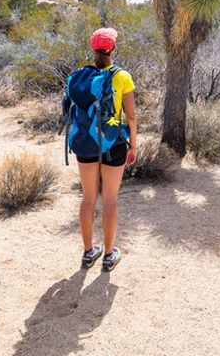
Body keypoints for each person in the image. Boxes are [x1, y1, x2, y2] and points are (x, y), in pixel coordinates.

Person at [78, 27, 137, 272]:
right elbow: (131, 116)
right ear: (112, 49)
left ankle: (88, 252)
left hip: (86, 142)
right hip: (113, 144)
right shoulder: (122, 77)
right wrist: (133, 145)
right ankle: (109, 255)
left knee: (88, 199)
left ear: (94, 50)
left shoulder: (81, 75)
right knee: (110, 201)